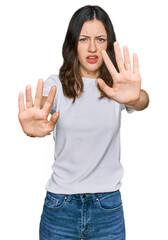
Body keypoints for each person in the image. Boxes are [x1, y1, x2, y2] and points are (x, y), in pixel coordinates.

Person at [18, 5, 149, 240]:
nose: (92, 48)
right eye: (83, 39)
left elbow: (141, 101)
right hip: (60, 208)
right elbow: (44, 104)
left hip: (107, 208)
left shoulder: (116, 88)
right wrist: (35, 117)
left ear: (109, 45)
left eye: (100, 39)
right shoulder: (56, 84)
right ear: (73, 44)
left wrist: (135, 96)